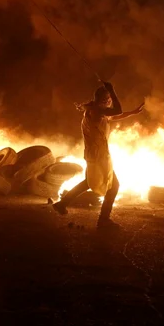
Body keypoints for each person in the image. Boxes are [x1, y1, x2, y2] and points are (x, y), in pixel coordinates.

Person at [52, 82, 144, 229]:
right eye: (108, 98)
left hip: (96, 155)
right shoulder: (95, 111)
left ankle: (62, 204)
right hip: (98, 156)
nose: (110, 100)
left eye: (110, 98)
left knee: (89, 182)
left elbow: (115, 116)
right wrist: (112, 90)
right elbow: (117, 110)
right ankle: (103, 220)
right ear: (102, 99)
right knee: (113, 186)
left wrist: (132, 113)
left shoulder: (98, 111)